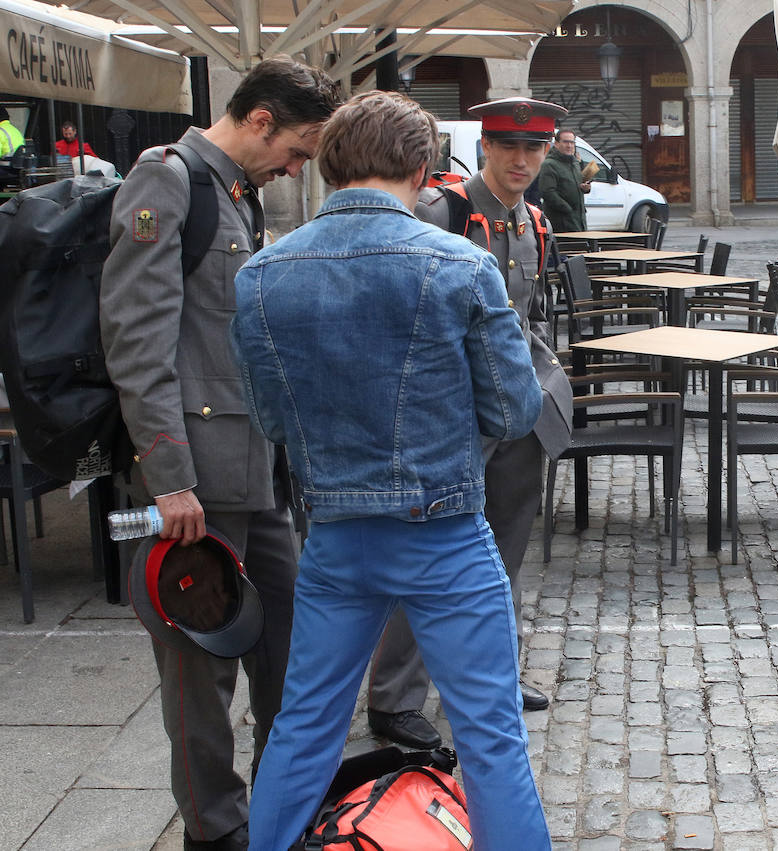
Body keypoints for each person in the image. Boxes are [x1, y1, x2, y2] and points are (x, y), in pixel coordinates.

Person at [236, 89, 550, 851]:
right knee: (489, 736)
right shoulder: (463, 266)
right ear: (422, 167)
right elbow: (515, 412)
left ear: (331, 160)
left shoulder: (262, 274)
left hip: (338, 534)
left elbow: (272, 420)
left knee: (305, 724)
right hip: (443, 530)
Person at [99, 57, 340, 851]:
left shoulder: (238, 193)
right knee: (200, 678)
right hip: (194, 486)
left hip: (257, 473)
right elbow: (137, 341)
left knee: (293, 648)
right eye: (299, 150)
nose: (297, 170)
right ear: (262, 119)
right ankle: (217, 831)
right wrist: (168, 478)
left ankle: (283, 807)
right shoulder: (168, 180)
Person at [365, 96, 574, 742]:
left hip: (516, 411)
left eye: (533, 148)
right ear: (484, 146)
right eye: (508, 146)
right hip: (450, 416)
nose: (521, 159)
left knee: (503, 554)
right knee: (431, 554)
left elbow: (529, 315)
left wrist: (542, 386)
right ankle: (394, 696)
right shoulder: (444, 211)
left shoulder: (532, 221)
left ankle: (493, 676)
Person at [538, 127, 590, 232]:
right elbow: (548, 192)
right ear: (556, 144)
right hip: (561, 223)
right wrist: (568, 209)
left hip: (579, 221)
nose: (569, 145)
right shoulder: (549, 164)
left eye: (572, 142)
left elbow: (578, 186)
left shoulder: (575, 163)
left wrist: (586, 188)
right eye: (566, 142)